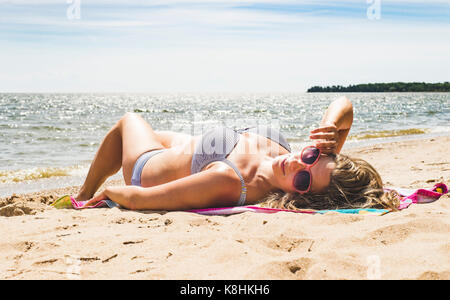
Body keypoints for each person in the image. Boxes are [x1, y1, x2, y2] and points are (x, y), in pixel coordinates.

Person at [78, 96, 399, 211]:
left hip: (148, 168)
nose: (297, 164)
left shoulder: (230, 180)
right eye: (312, 156)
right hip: (190, 148)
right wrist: (329, 126)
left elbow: (141, 199)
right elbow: (345, 107)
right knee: (160, 134)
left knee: (129, 121)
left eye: (303, 178)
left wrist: (108, 194)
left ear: (302, 196)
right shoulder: (305, 162)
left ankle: (81, 191)